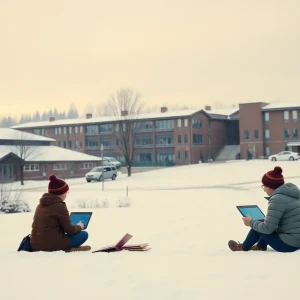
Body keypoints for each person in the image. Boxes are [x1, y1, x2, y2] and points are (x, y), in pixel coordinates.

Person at [228, 166, 300, 252]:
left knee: (259, 226)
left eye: (264, 186)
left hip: (289, 245)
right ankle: (260, 246)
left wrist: (250, 222)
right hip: (296, 241)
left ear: (270, 187)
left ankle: (242, 248)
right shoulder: (294, 194)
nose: (264, 189)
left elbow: (267, 229)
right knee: (261, 224)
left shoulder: (277, 199)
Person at [30, 174, 91, 252]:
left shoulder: (40, 205)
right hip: (51, 246)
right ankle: (69, 249)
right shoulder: (59, 206)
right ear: (60, 193)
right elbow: (70, 230)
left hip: (35, 244)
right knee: (83, 234)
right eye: (66, 192)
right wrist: (79, 226)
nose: (66, 195)